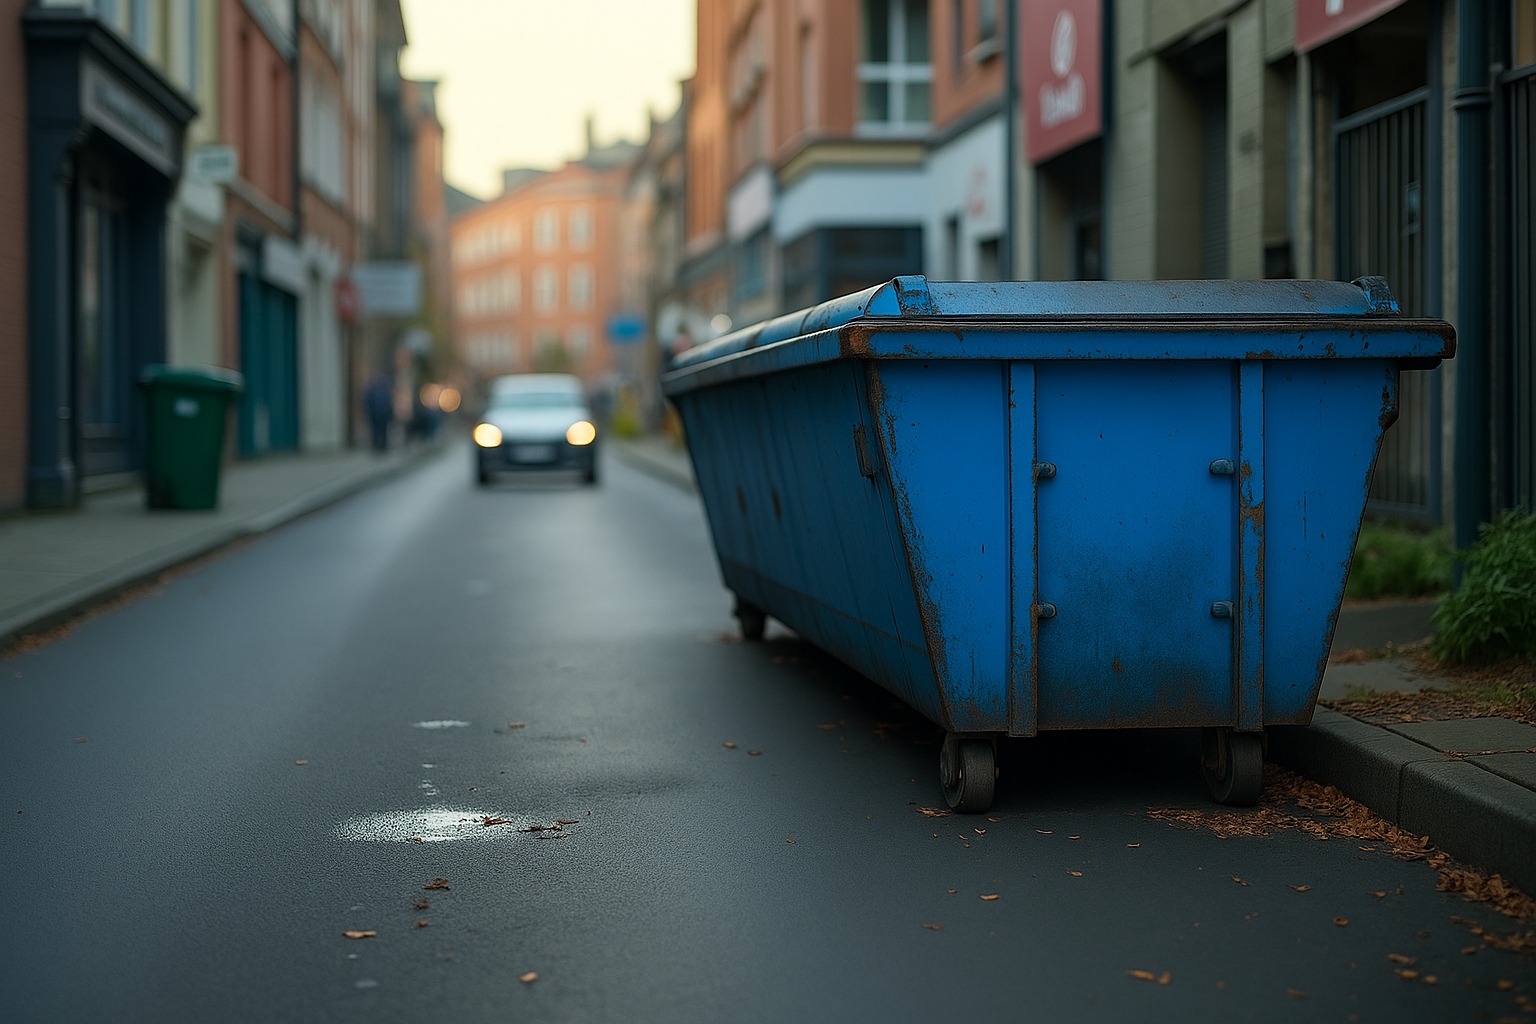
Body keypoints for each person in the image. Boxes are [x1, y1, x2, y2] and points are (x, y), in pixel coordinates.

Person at [363, 372, 394, 453]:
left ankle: (380, 445)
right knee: (377, 430)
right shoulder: (378, 391)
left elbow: (388, 403)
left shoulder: (381, 391)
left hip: (380, 415)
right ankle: (378, 445)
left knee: (380, 430)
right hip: (377, 414)